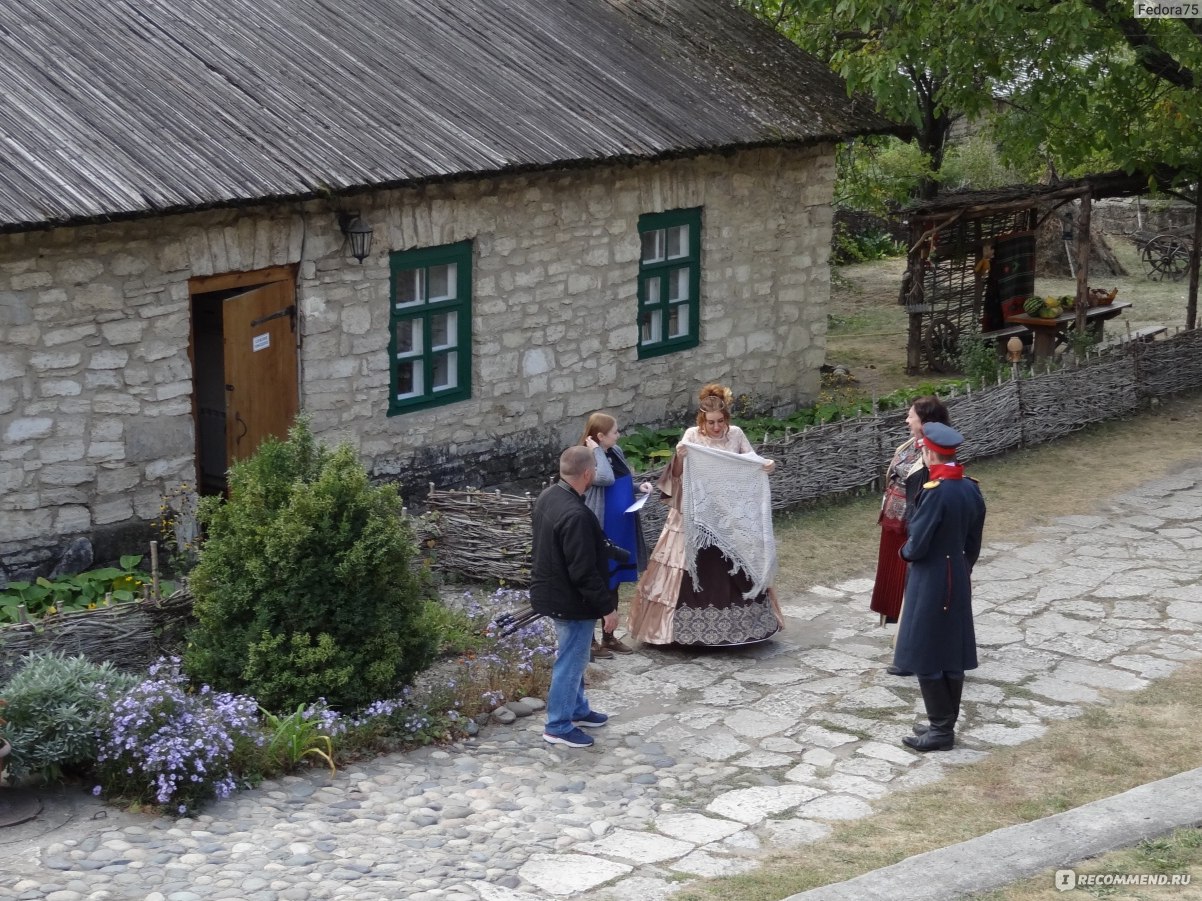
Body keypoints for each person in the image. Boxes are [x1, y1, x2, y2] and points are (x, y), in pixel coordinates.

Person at [628, 383, 783, 647]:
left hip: (727, 514)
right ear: (702, 419)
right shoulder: (691, 436)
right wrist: (679, 457)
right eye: (711, 422)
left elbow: (751, 461)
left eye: (720, 421)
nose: (716, 427)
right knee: (689, 565)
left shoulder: (736, 435)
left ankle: (742, 627)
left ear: (727, 419)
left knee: (734, 565)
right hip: (694, 513)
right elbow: (676, 475)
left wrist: (766, 465)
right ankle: (677, 631)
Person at [892, 422, 986, 752]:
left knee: (926, 650)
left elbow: (917, 544)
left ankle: (941, 731)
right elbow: (974, 540)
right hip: (957, 573)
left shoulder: (935, 492)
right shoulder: (970, 488)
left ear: (930, 453)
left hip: (931, 577)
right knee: (951, 650)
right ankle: (941, 723)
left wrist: (904, 552)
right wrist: (963, 567)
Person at [529, 446, 620, 748]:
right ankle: (557, 725)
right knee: (571, 661)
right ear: (587, 473)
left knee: (575, 658)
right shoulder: (576, 513)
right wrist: (607, 607)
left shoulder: (549, 496)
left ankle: (577, 709)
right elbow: (583, 570)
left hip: (552, 592)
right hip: (570, 601)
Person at [871, 396, 951, 677]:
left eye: (911, 416)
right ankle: (903, 638)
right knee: (895, 584)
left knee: (912, 587)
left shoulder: (932, 454)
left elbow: (928, 496)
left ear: (925, 421)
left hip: (911, 527)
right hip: (893, 523)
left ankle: (912, 645)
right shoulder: (908, 447)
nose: (907, 420)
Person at [580, 412, 652, 659]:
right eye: (614, 432)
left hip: (621, 525)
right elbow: (604, 478)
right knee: (598, 580)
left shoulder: (616, 451)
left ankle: (608, 637)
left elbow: (621, 479)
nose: (618, 435)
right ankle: (588, 641)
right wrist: (598, 451)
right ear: (600, 436)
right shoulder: (587, 455)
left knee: (614, 581)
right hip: (603, 525)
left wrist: (637, 487)